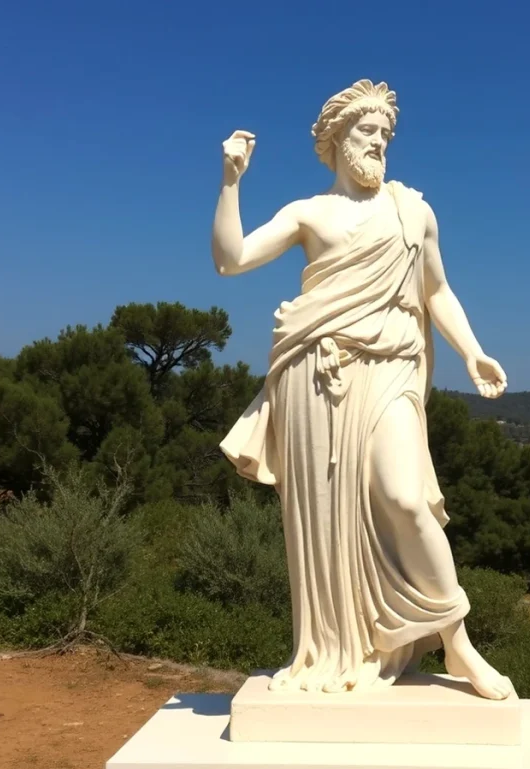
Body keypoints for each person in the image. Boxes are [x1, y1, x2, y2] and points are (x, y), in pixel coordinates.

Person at [212, 79, 513, 700]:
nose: (379, 143)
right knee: (327, 522)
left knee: (404, 498)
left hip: (394, 367)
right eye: (367, 132)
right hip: (316, 379)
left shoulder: (412, 211)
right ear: (335, 140)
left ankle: (457, 644)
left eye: (385, 134)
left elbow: (435, 291)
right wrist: (231, 181)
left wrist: (473, 351)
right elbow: (232, 259)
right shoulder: (309, 212)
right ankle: (336, 646)